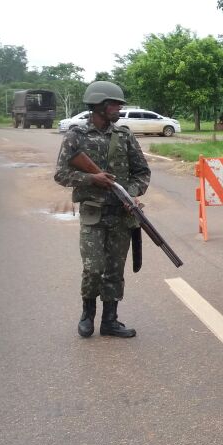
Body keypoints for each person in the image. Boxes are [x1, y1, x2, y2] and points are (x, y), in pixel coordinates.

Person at [54, 81, 151, 339]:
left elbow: (142, 172)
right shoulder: (76, 135)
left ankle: (110, 320)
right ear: (99, 105)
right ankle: (88, 315)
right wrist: (91, 179)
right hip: (93, 213)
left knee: (115, 271)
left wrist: (130, 194)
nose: (119, 108)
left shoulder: (125, 136)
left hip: (121, 215)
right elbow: (61, 174)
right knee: (93, 268)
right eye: (115, 104)